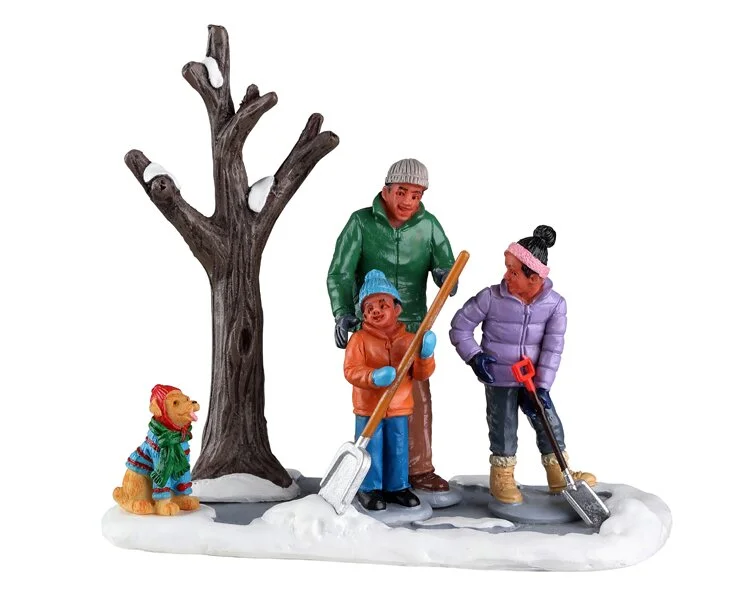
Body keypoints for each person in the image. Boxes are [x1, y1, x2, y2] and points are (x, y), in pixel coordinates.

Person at [327, 158, 456, 494]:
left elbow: (445, 262)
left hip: (410, 328)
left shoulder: (429, 226)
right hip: (370, 327)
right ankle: (371, 477)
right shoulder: (360, 223)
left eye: (416, 195)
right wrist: (343, 312)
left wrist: (445, 274)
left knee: (416, 401)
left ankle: (418, 469)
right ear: (386, 190)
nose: (408, 201)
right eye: (402, 192)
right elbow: (340, 272)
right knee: (371, 398)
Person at [449, 225, 595, 504]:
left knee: (548, 422)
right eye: (507, 268)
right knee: (503, 427)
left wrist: (542, 386)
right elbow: (460, 326)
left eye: (513, 271)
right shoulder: (490, 297)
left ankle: (559, 474)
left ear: (534, 277)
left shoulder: (555, 305)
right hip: (500, 377)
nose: (506, 276)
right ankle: (502, 477)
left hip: (533, 380)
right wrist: (474, 356)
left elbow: (553, 347)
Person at [344, 270, 436, 511]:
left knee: (398, 448)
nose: (375, 310)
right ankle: (369, 487)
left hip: (399, 407)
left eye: (382, 305)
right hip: (369, 408)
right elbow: (351, 370)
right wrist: (372, 376)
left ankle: (398, 486)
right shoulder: (359, 340)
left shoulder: (409, 341)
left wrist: (425, 356)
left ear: (397, 309)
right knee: (371, 448)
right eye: (369, 308)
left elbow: (420, 374)